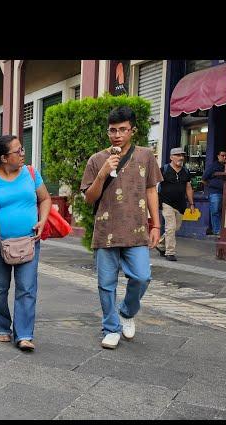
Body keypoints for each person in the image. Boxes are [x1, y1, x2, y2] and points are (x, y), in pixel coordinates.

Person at [80, 106, 162, 350]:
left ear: (132, 130)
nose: (117, 135)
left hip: (136, 230)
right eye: (112, 130)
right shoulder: (96, 160)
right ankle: (111, 327)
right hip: (106, 230)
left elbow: (150, 190)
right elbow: (89, 198)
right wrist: (104, 172)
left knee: (142, 276)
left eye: (122, 130)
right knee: (106, 284)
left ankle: (126, 311)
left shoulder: (146, 155)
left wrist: (155, 223)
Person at [0, 135, 51, 352]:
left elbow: (45, 199)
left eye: (22, 149)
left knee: (27, 288)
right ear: (5, 158)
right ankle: (2, 326)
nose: (23, 154)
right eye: (18, 151)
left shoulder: (32, 174)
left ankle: (24, 334)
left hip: (28, 241)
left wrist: (43, 220)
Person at [156, 148, 195, 261]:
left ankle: (160, 244)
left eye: (182, 155)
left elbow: (188, 188)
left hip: (180, 204)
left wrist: (191, 204)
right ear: (171, 157)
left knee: (175, 228)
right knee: (171, 227)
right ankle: (170, 252)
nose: (181, 158)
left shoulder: (186, 171)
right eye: (177, 155)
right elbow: (154, 185)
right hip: (166, 202)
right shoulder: (164, 169)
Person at [203, 150, 226, 236]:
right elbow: (204, 178)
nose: (224, 157)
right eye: (222, 155)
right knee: (215, 211)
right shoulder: (213, 166)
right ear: (218, 156)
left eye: (225, 156)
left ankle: (220, 230)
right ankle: (217, 231)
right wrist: (211, 185)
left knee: (223, 212)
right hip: (215, 193)